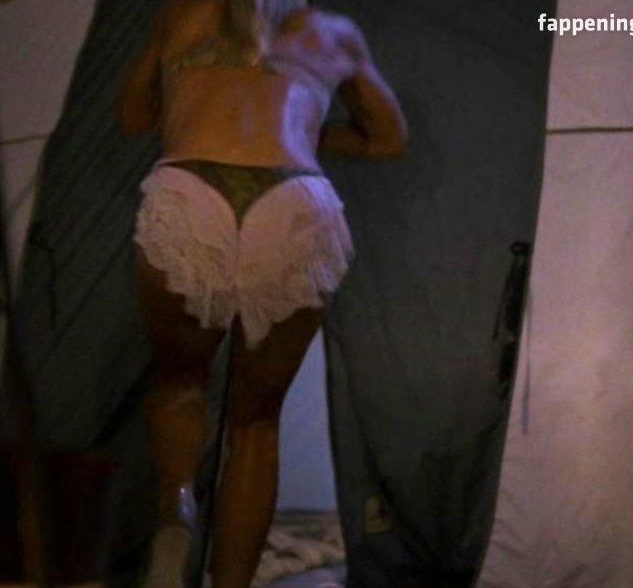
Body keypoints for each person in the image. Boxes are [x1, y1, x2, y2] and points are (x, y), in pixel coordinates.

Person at [117, 0, 406, 586]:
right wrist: (310, 132)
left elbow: (132, 116)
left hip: (191, 185)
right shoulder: (334, 33)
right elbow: (387, 140)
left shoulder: (183, 12)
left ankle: (177, 511)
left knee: (179, 383)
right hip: (293, 197)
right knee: (256, 423)